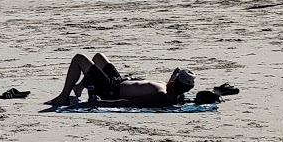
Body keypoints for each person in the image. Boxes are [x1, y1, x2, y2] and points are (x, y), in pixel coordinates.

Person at [43, 53, 195, 108]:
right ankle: (81, 86)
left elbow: (131, 103)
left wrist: (100, 103)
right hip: (118, 81)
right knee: (98, 57)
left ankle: (64, 97)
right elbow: (176, 74)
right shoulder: (173, 89)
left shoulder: (163, 94)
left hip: (111, 90)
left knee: (79, 59)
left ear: (178, 83)